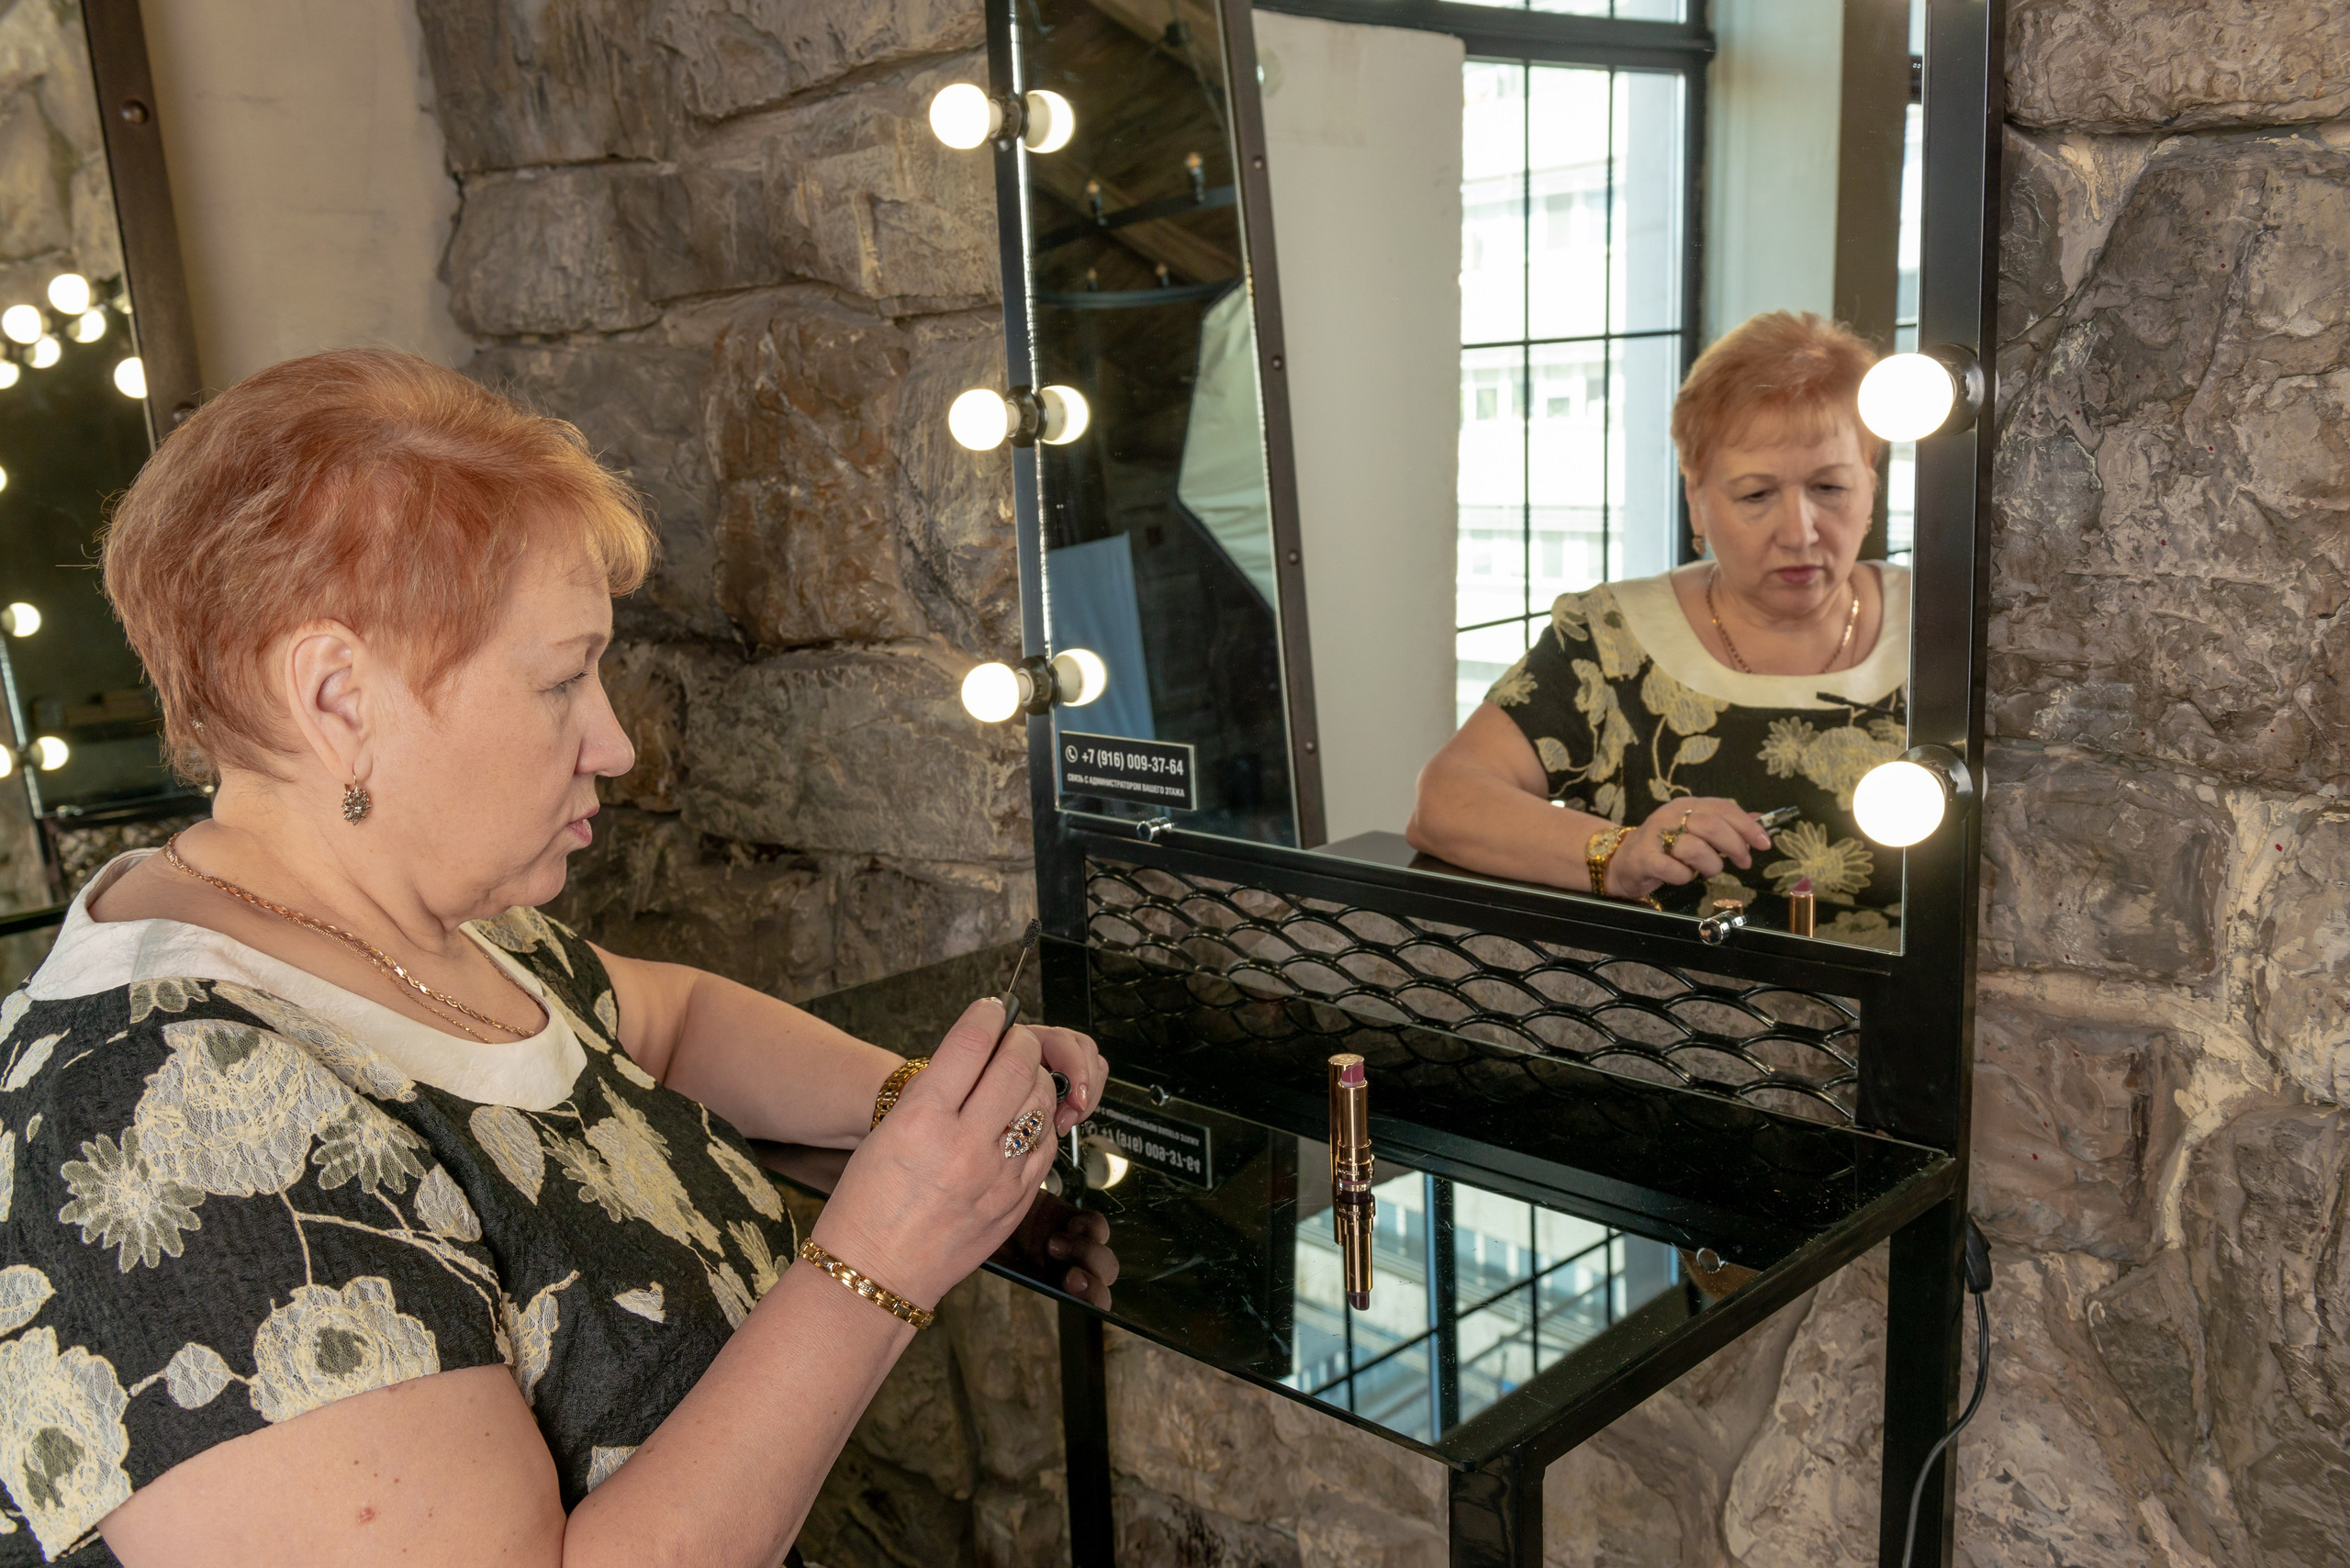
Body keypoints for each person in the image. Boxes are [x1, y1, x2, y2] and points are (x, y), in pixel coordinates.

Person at [0, 350, 1114, 1567]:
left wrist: (917, 1110)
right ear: (336, 699)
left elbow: (670, 1022)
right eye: (562, 680)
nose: (617, 744)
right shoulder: (164, 1127)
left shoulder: (439, 920)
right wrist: (884, 1254)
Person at [1408, 311, 1909, 948]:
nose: (1800, 531)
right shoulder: (1611, 638)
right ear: (1696, 501)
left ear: (1871, 484)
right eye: (1756, 495)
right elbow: (1446, 803)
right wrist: (1617, 855)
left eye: (1830, 486)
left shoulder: (1951, 630)